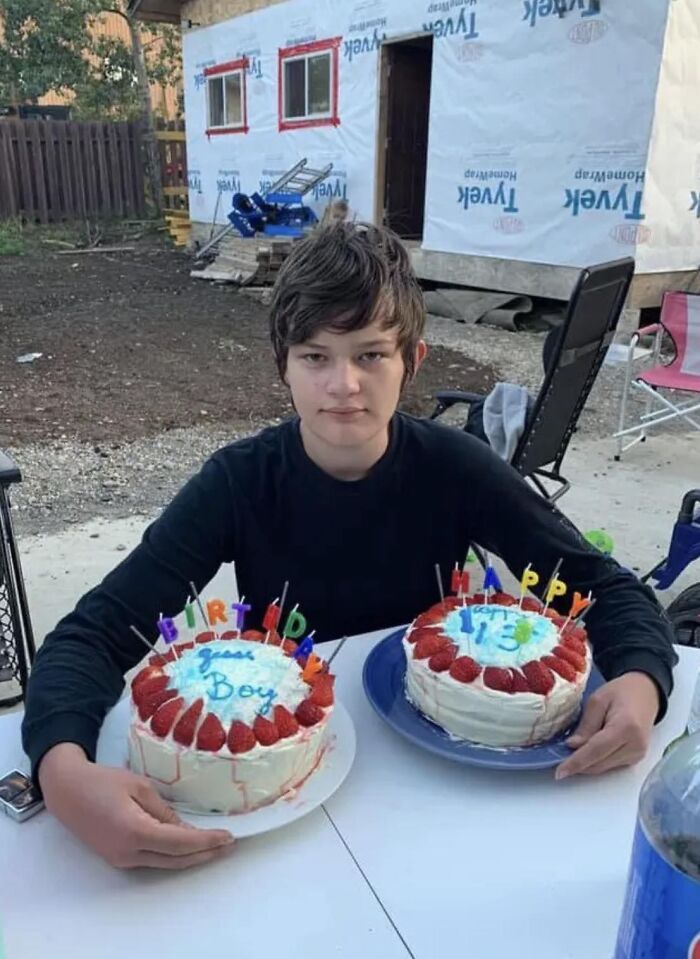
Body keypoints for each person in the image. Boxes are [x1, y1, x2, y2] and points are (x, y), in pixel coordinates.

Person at [22, 222, 677, 870]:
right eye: (316, 356)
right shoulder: (237, 484)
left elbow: (606, 586)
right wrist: (63, 772)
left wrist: (642, 681)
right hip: (282, 796)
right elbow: (93, 635)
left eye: (370, 355)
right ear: (283, 365)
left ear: (411, 361)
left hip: (434, 791)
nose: (344, 384)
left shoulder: (458, 468)